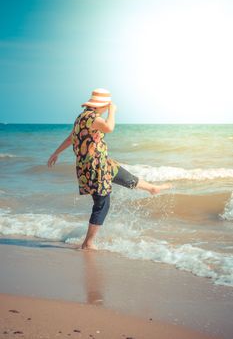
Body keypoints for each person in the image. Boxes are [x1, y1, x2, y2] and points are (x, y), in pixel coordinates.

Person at [47, 88, 171, 250]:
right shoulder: (92, 118)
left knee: (125, 177)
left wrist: (56, 152)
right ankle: (88, 243)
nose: (107, 108)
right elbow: (109, 127)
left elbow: (72, 136)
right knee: (102, 204)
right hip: (95, 166)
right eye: (106, 105)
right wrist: (112, 112)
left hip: (100, 163)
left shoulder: (81, 117)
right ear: (101, 105)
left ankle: (151, 188)